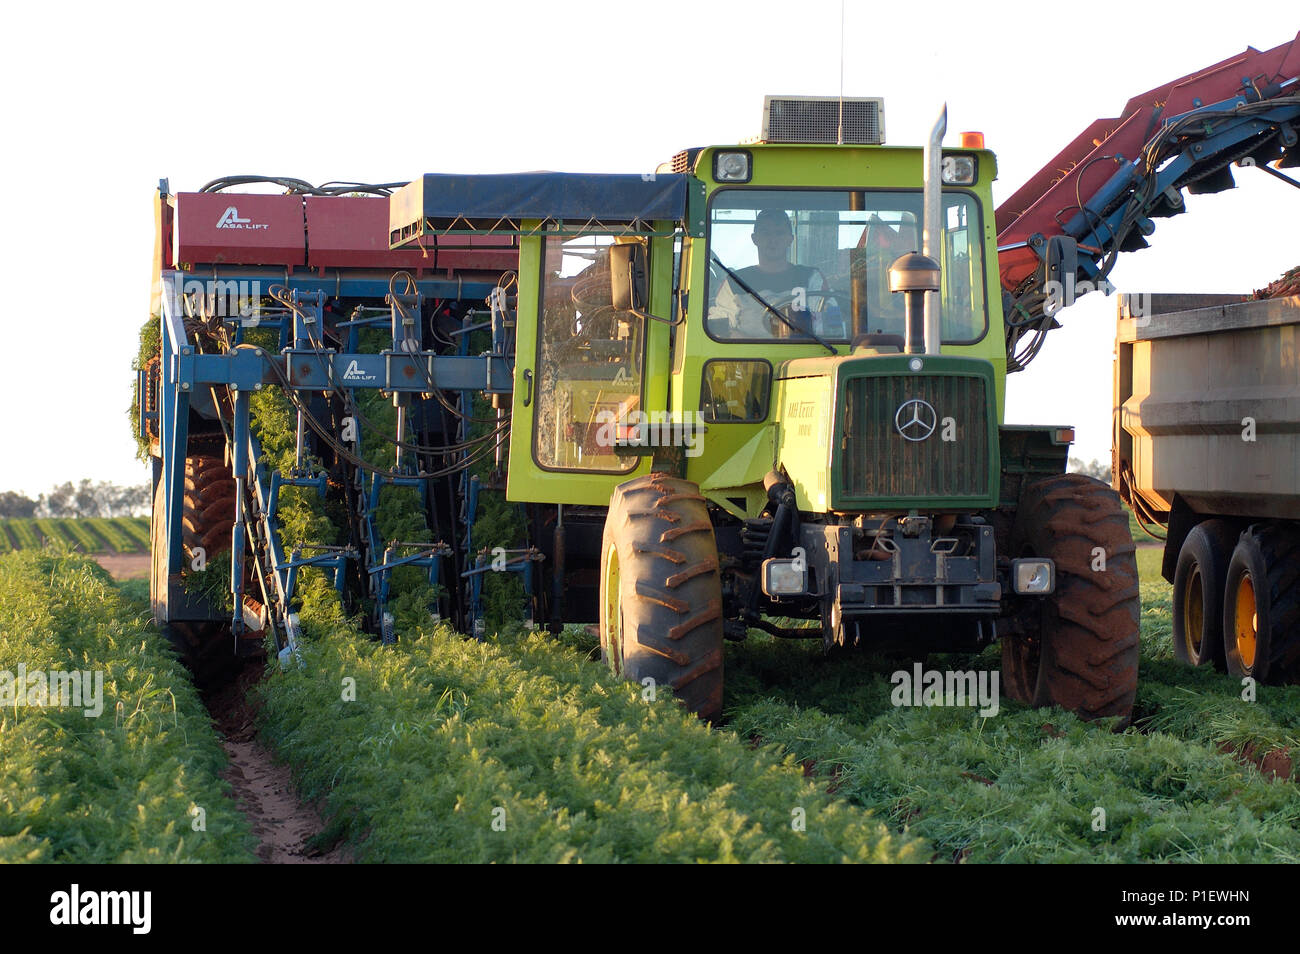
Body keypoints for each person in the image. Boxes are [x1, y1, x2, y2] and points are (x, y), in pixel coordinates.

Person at [708, 209, 836, 339]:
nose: (773, 239)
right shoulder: (735, 282)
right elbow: (718, 324)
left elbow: (829, 318)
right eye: (765, 233)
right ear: (754, 238)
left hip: (802, 355)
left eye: (779, 233)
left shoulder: (810, 278)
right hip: (749, 357)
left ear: (790, 239)